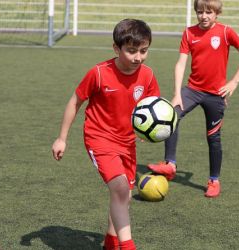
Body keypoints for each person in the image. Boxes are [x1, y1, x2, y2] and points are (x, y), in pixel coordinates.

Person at [52, 19, 160, 250]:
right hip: (99, 138)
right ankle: (128, 246)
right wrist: (62, 138)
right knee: (120, 189)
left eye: (143, 51)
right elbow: (75, 102)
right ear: (116, 48)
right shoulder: (99, 73)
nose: (138, 57)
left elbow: (153, 108)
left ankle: (110, 243)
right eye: (131, 51)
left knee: (124, 196)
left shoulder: (148, 76)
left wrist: (148, 131)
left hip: (127, 142)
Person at [148, 0, 239, 198]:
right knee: (171, 116)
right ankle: (170, 164)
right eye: (200, 12)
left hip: (216, 95)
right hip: (193, 90)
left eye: (208, 12)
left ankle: (214, 179)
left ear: (217, 13)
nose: (204, 16)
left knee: (213, 137)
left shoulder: (226, 32)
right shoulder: (189, 33)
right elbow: (180, 64)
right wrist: (178, 93)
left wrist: (234, 82)